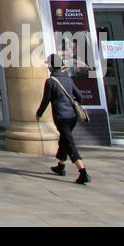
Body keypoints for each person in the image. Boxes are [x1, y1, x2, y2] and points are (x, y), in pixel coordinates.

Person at [36, 54, 90, 185]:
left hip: (61, 117)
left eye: (49, 64)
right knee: (65, 139)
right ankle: (61, 165)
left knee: (69, 143)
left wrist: (39, 113)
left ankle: (82, 172)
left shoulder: (51, 81)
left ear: (52, 66)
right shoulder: (67, 79)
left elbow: (46, 100)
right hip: (72, 116)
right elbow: (79, 97)